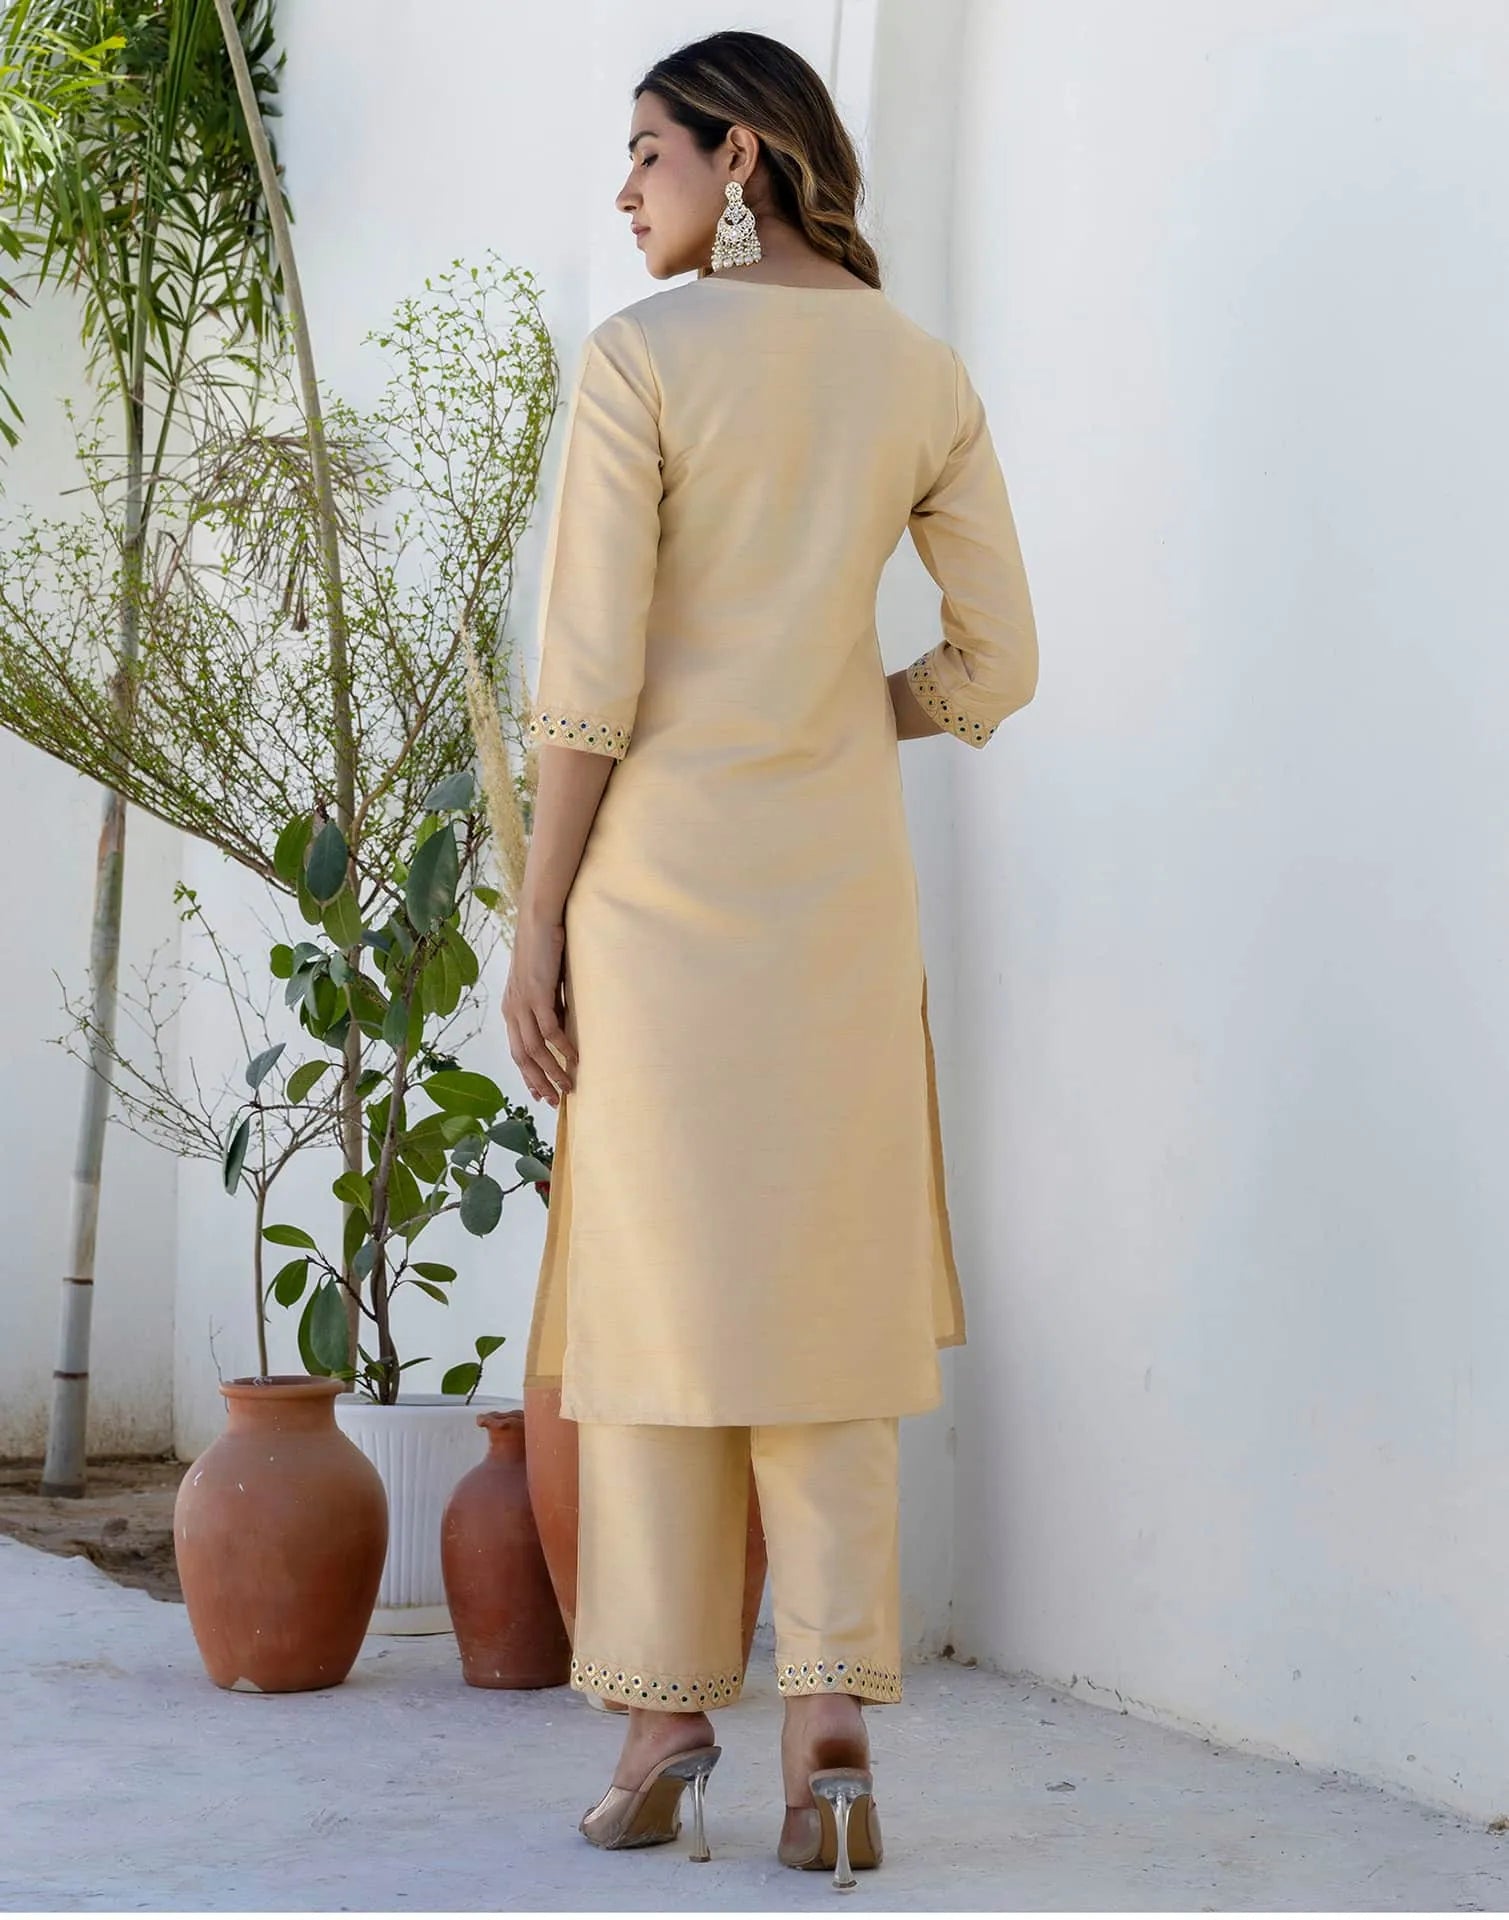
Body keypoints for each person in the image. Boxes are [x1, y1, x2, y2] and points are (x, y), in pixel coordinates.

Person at [500, 27, 1038, 1889]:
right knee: (827, 1298)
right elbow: (997, 659)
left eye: (645, 152)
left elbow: (586, 684)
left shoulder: (641, 358)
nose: (623, 190)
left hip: (655, 893)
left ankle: (663, 1733)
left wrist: (536, 915)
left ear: (739, 156)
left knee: (659, 1306)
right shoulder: (916, 369)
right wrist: (833, 708)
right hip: (837, 897)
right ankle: (831, 1739)